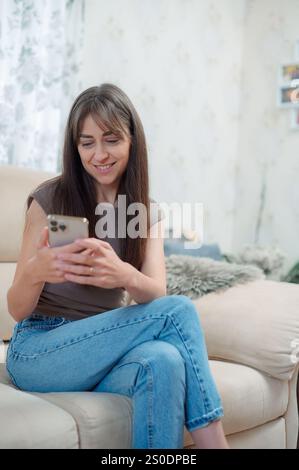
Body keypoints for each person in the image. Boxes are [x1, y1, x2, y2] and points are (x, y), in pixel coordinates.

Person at [6, 83, 229, 449]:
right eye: (87, 142)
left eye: (111, 139)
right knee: (178, 312)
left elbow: (155, 291)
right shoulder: (50, 200)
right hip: (40, 349)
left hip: (104, 349)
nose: (99, 154)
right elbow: (17, 309)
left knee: (165, 360)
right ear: (75, 147)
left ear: (131, 141)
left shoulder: (145, 210)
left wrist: (123, 274)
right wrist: (35, 271)